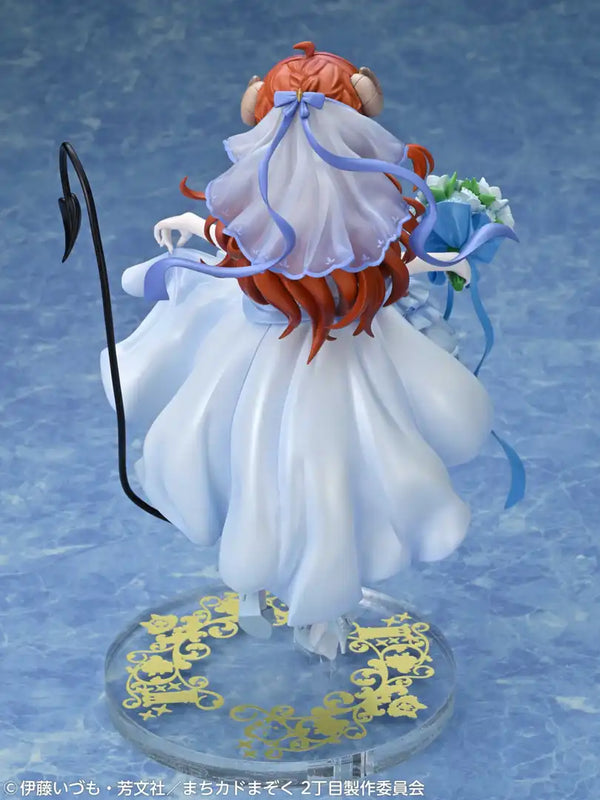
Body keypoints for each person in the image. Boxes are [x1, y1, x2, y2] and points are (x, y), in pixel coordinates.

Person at [100, 42, 515, 659]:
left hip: (281, 358)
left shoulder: (311, 213)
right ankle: (306, 604)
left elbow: (243, 244)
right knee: (318, 475)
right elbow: (373, 265)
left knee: (268, 466)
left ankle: (284, 596)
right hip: (333, 360)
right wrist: (444, 259)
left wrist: (441, 257)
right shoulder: (364, 214)